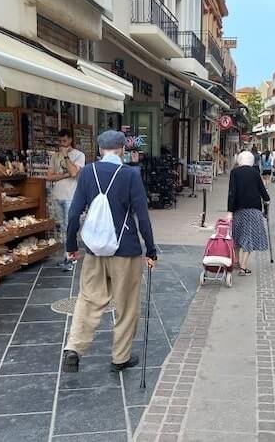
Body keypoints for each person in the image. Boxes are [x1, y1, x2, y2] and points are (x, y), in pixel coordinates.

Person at [63, 130, 157, 373]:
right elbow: (143, 217)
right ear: (123, 150)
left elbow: (74, 214)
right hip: (125, 250)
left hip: (94, 250)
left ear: (100, 150)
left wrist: (71, 246)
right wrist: (151, 249)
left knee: (88, 299)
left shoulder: (87, 173)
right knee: (126, 305)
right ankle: (120, 357)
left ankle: (73, 348)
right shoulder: (130, 175)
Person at [47, 129, 86, 271]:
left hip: (71, 196)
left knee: (71, 228)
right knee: (63, 228)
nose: (62, 144)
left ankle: (71, 258)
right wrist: (64, 175)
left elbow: (74, 173)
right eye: (60, 141)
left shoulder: (79, 155)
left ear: (70, 140)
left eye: (64, 141)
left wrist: (66, 157)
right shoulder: (54, 156)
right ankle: (66, 256)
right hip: (58, 196)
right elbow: (49, 176)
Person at [228, 151, 270, 275]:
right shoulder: (255, 173)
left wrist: (229, 211)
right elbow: (263, 191)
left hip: (238, 210)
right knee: (249, 237)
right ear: (251, 161)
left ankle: (236, 261)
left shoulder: (234, 172)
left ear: (239, 160)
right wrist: (267, 200)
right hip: (253, 210)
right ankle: (243, 266)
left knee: (237, 236)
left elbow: (232, 193)